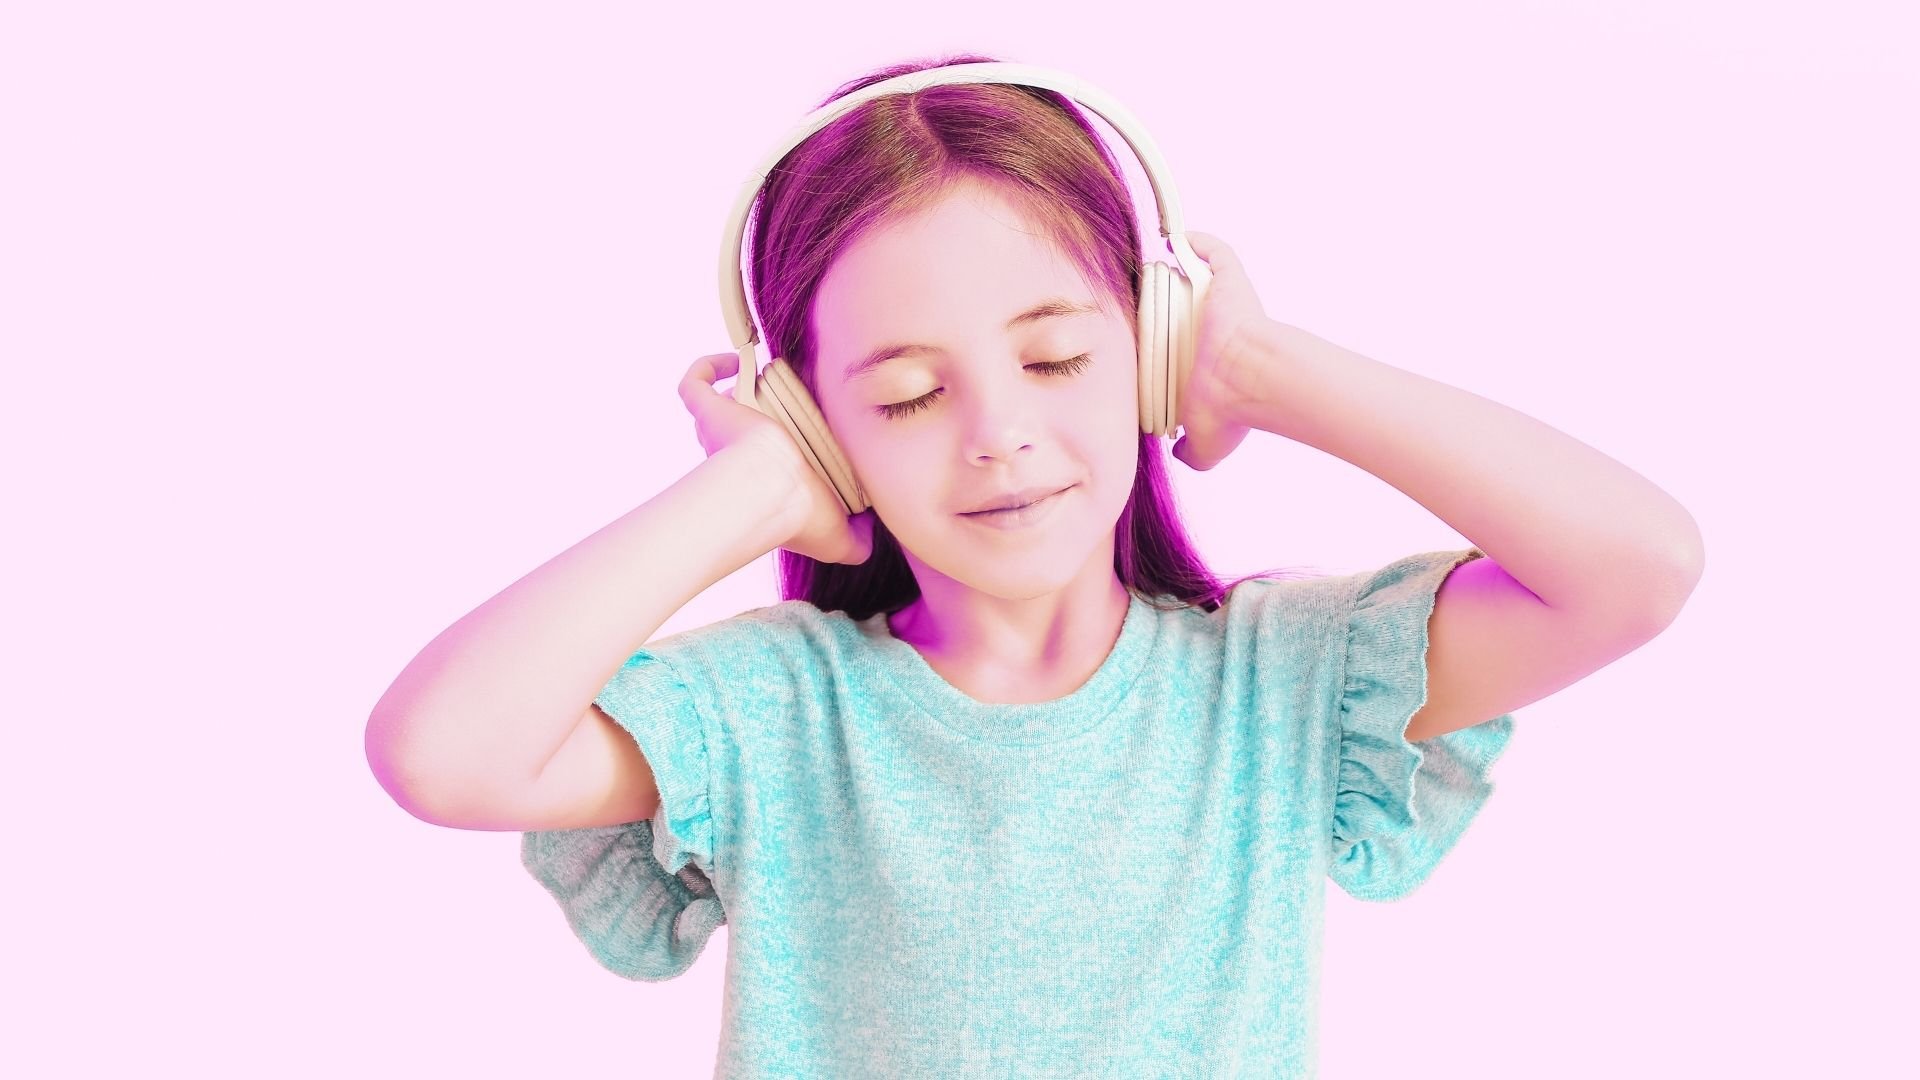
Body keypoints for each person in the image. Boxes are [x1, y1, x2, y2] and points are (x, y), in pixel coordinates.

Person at [367, 51, 1701, 1079]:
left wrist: (1258, 371)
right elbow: (442, 753)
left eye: (1057, 357)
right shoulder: (776, 713)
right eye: (901, 397)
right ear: (819, 425)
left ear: (1151, 341)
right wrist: (754, 488)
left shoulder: (1285, 685)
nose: (999, 436)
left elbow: (1636, 567)